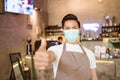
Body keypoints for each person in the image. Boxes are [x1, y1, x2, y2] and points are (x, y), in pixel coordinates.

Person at [34, 14, 98, 80]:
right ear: (63, 30)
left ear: (79, 30)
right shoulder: (56, 49)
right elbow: (50, 55)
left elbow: (94, 78)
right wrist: (44, 57)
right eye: (67, 28)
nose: (71, 31)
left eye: (74, 28)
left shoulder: (90, 54)